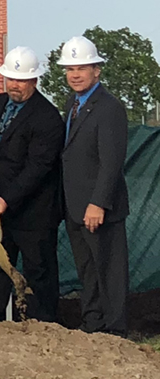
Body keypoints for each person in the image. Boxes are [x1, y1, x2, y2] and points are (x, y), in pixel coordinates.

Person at [0, 47, 63, 323]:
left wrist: (7, 200)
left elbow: (37, 168)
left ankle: (45, 324)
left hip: (34, 211)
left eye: (21, 80)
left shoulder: (47, 117)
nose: (14, 85)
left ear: (34, 81)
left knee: (39, 269)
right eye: (10, 78)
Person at [57, 35, 129, 335]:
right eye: (70, 69)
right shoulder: (72, 103)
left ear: (96, 70)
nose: (75, 74)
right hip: (75, 208)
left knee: (109, 272)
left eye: (82, 68)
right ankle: (93, 325)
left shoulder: (109, 107)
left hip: (99, 209)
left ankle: (115, 332)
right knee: (87, 271)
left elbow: (111, 161)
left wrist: (98, 202)